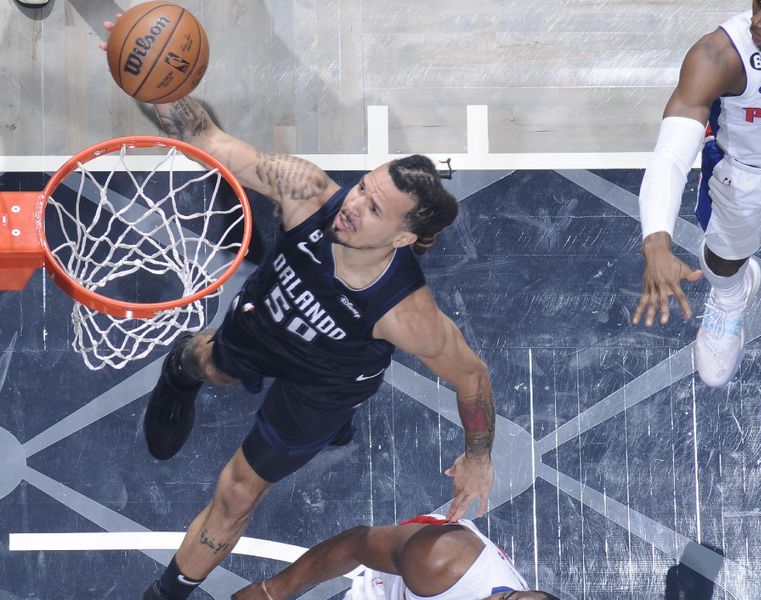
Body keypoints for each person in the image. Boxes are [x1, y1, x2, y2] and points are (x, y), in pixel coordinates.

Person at [104, 57, 498, 600]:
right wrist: (157, 81)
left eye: (375, 209)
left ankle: (165, 593)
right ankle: (182, 368)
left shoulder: (407, 314)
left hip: (327, 380)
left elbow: (472, 376)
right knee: (213, 366)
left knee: (240, 493)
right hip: (268, 319)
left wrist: (478, 456)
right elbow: (206, 135)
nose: (353, 205)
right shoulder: (307, 193)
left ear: (403, 239)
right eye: (362, 188)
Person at [632, 1, 761, 387]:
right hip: (742, 171)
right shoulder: (720, 55)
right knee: (724, 260)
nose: (758, 20)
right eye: (758, 4)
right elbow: (670, 155)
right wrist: (656, 242)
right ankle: (731, 297)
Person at [230, 514, 561, 600]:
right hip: (393, 583)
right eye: (508, 599)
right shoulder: (442, 563)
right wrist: (273, 591)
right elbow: (356, 543)